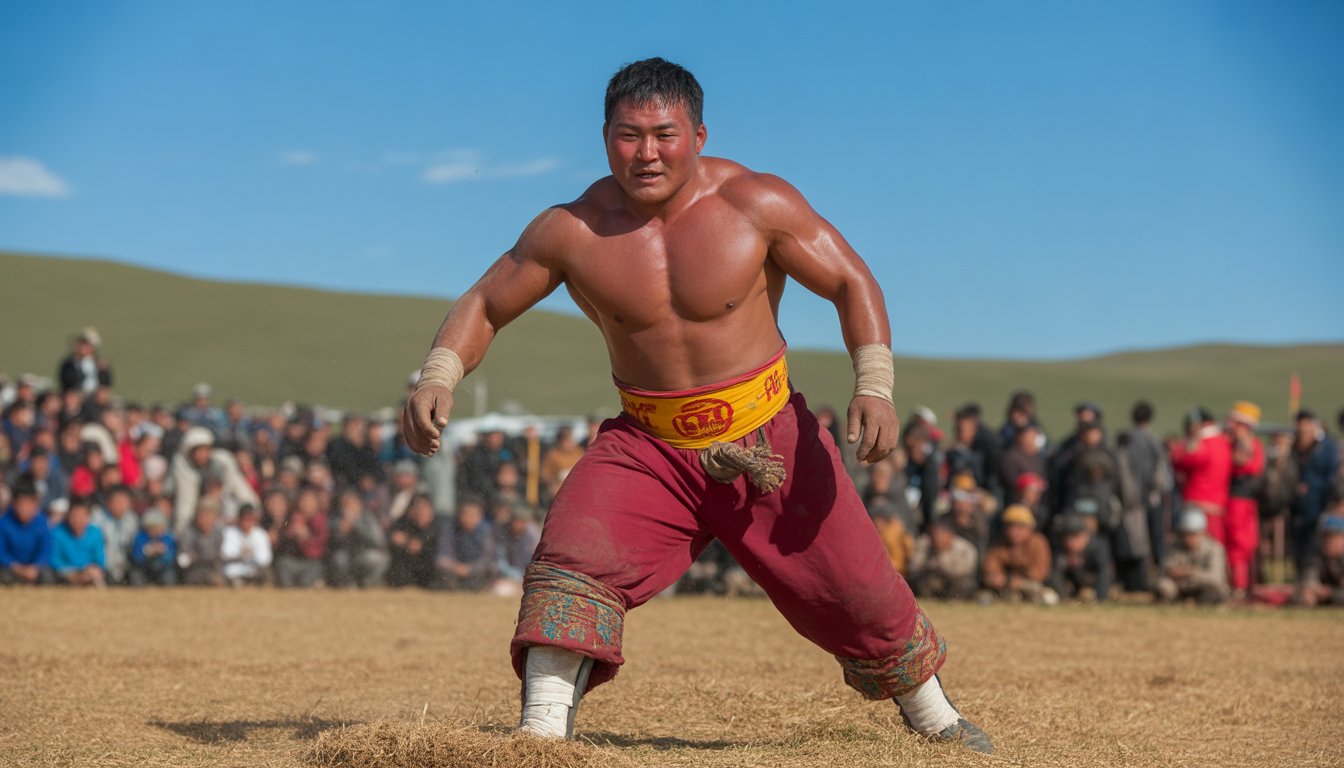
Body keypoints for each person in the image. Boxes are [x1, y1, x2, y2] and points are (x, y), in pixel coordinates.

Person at [399, 58, 990, 750]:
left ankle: (937, 720)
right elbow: (485, 303)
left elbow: (850, 281)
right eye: (628, 135)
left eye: (664, 134)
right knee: (572, 561)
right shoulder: (571, 230)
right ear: (604, 137)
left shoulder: (757, 203)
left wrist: (875, 386)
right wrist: (438, 375)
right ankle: (540, 740)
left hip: (769, 437)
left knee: (857, 589)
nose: (646, 153)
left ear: (699, 136)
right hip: (648, 445)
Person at [1289, 410, 1340, 574]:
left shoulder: (1327, 448)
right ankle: (1303, 577)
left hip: (1321, 505)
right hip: (1299, 508)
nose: (1301, 430)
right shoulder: (1295, 448)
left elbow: (1333, 477)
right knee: (1300, 546)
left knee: (1317, 546)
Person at [1224, 402, 1265, 596]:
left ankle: (1242, 585)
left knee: (1243, 544)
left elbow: (1249, 465)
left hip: (1242, 503)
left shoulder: (1249, 445)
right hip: (1236, 502)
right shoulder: (1235, 444)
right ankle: (1238, 584)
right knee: (1237, 545)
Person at [980, 505, 1056, 604]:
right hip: (1004, 586)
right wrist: (996, 578)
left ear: (1030, 528)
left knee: (1047, 597)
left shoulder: (1038, 543)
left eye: (1019, 527)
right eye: (1009, 527)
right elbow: (990, 567)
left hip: (1030, 584)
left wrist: (1018, 580)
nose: (1013, 532)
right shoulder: (998, 544)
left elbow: (1040, 571)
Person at [1155, 509, 1229, 605]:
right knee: (1164, 586)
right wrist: (1173, 572)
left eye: (1192, 534)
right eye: (1185, 534)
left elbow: (1216, 577)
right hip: (1181, 587)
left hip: (1204, 587)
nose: (1188, 538)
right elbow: (1164, 570)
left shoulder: (1214, 548)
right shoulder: (1175, 546)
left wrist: (1190, 571)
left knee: (1215, 592)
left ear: (1202, 533)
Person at [326, 488, 389, 588]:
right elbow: (330, 544)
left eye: (352, 503)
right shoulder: (335, 518)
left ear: (360, 504)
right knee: (339, 558)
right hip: (346, 556)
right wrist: (340, 533)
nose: (348, 506)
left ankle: (369, 584)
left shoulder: (369, 517)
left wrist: (357, 526)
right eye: (345, 504)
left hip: (364, 554)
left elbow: (378, 542)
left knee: (379, 558)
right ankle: (345, 585)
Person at [435, 496, 497, 591]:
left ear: (480, 516)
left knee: (491, 569)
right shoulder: (449, 528)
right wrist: (455, 567)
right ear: (459, 514)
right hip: (454, 572)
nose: (469, 518)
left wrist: (470, 569)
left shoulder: (486, 531)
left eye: (473, 515)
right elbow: (442, 556)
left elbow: (487, 559)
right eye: (466, 514)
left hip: (476, 573)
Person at [908, 516, 978, 600]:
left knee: (965, 584)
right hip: (932, 580)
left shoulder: (965, 548)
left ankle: (956, 599)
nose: (938, 538)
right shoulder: (923, 544)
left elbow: (965, 571)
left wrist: (941, 563)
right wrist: (930, 565)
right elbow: (914, 567)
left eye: (941, 534)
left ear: (951, 534)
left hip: (954, 582)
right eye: (935, 534)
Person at [0, 475, 53, 585]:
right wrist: (17, 568)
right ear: (14, 504)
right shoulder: (4, 522)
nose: (25, 508)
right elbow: (2, 552)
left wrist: (36, 567)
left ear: (35, 504)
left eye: (29, 504)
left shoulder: (42, 522)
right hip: (11, 569)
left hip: (34, 570)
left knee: (48, 576)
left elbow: (46, 550)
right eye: (21, 504)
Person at [1048, 514, 1112, 602]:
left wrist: (1100, 598)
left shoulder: (1098, 547)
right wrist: (1064, 597)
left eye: (1074, 537)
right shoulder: (1062, 550)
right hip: (1073, 588)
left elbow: (1104, 573)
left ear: (1084, 536)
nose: (1070, 542)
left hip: (1094, 585)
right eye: (1067, 537)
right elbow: (1055, 575)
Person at [49, 497, 106, 586]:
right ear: (68, 516)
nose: (78, 520)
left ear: (88, 516)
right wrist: (74, 573)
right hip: (64, 574)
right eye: (75, 516)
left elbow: (100, 560)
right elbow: (54, 560)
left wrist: (90, 571)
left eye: (82, 516)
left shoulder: (95, 533)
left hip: (89, 573)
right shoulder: (57, 532)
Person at [1296, 514, 1344, 607]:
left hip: (1337, 595)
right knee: (1306, 595)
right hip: (1323, 596)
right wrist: (1316, 590)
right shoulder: (1316, 556)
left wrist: (1332, 593)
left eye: (1333, 537)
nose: (1328, 542)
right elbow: (1308, 582)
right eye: (1325, 537)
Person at [221, 504, 273, 586]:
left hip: (255, 569)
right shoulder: (230, 532)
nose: (248, 523)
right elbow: (226, 553)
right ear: (239, 519)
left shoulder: (261, 534)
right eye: (245, 519)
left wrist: (250, 555)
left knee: (266, 573)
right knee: (229, 571)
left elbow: (265, 558)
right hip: (235, 569)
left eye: (250, 519)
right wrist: (242, 554)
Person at [178, 500, 225, 586]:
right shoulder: (188, 533)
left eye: (208, 516)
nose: (204, 520)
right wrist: (194, 556)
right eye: (201, 516)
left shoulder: (218, 533)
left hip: (213, 569)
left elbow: (220, 557)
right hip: (193, 571)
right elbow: (182, 560)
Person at [130, 509, 177, 586]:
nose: (157, 530)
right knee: (136, 576)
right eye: (154, 527)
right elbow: (135, 557)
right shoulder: (140, 537)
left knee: (169, 577)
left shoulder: (168, 538)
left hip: (162, 568)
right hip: (144, 567)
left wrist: (163, 552)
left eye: (159, 527)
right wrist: (146, 552)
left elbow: (172, 558)